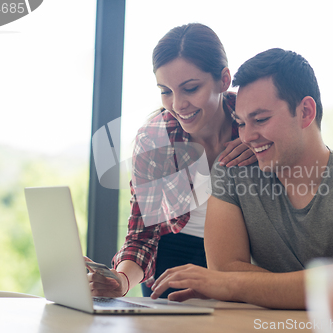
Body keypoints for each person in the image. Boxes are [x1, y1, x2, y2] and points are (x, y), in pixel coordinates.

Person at [148, 48, 333, 309]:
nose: (246, 137)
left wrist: (234, 284)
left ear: (305, 112)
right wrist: (309, 287)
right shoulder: (232, 172)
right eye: (240, 122)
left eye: (260, 119)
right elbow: (224, 268)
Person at [86, 23, 256, 298]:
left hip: (244, 258)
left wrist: (260, 149)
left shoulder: (256, 123)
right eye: (166, 91)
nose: (177, 104)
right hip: (173, 262)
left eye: (190, 88)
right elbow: (143, 234)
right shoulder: (156, 140)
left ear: (224, 80)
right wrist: (121, 282)